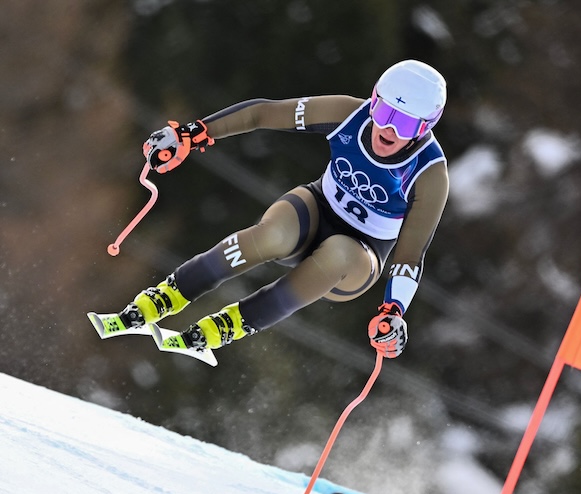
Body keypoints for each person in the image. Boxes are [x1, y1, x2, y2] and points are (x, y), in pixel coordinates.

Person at [91, 59, 449, 359]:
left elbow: (410, 254)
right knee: (272, 235)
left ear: (424, 129)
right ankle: (166, 296)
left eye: (404, 123)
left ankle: (228, 326)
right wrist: (191, 134)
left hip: (360, 255)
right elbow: (264, 113)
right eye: (383, 112)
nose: (387, 128)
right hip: (317, 208)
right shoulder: (348, 114)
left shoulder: (429, 173)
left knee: (337, 253)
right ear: (372, 101)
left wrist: (393, 311)